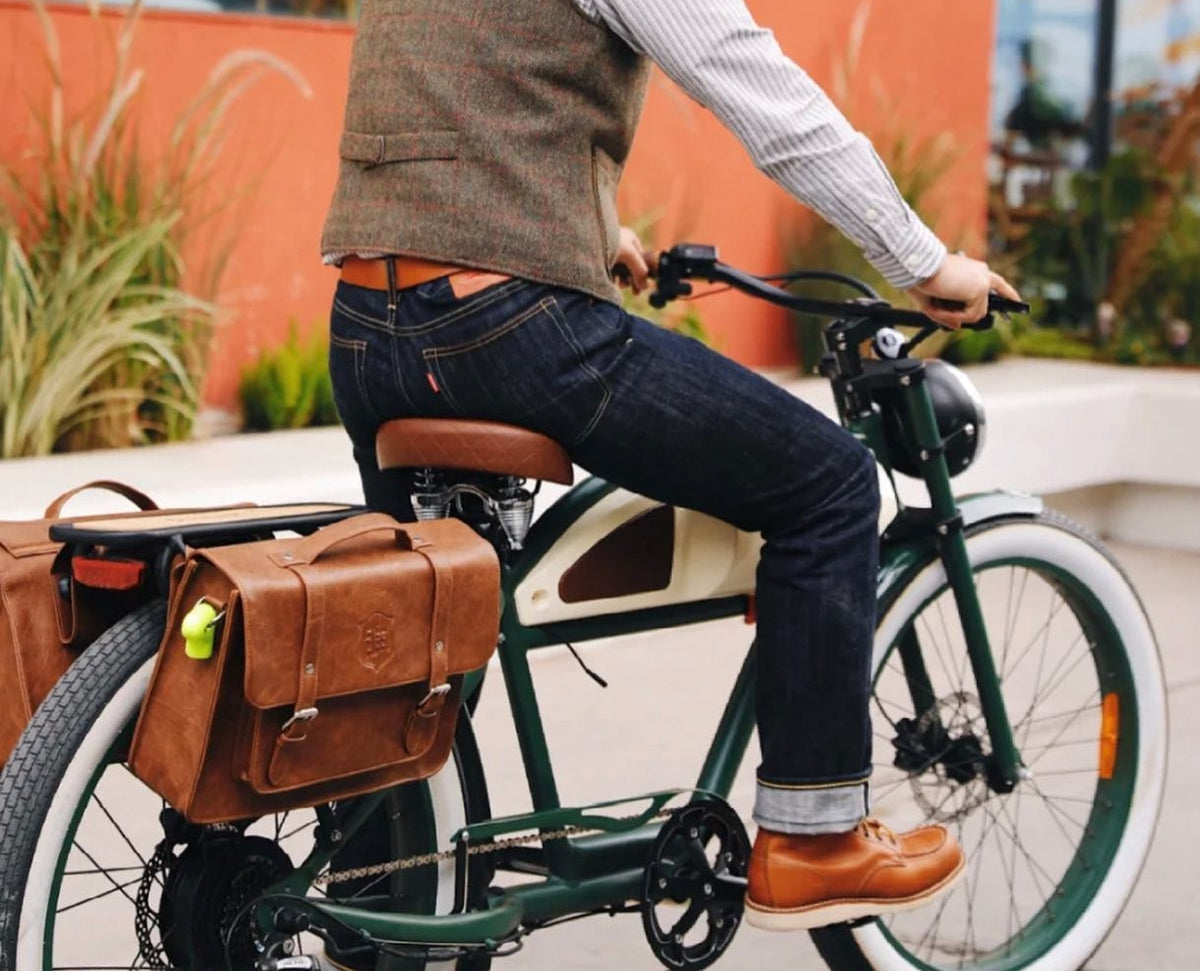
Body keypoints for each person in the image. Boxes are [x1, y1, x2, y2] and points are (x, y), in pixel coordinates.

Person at [320, 0, 1021, 946]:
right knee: (831, 486)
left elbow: (464, 87)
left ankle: (375, 892)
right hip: (508, 332)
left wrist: (583, 227)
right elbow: (759, 90)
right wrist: (924, 260)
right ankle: (813, 841)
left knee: (427, 645)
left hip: (368, 330)